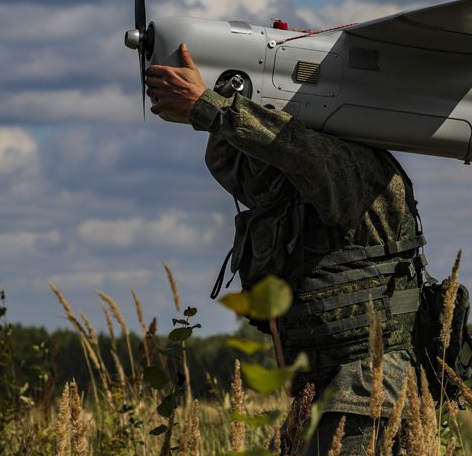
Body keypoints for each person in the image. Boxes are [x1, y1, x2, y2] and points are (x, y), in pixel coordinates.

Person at [146, 44, 428, 454]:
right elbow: (240, 165)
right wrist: (217, 97)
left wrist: (209, 108)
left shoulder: (361, 172)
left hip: (367, 390)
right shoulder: (300, 190)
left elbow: (298, 151)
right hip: (326, 391)